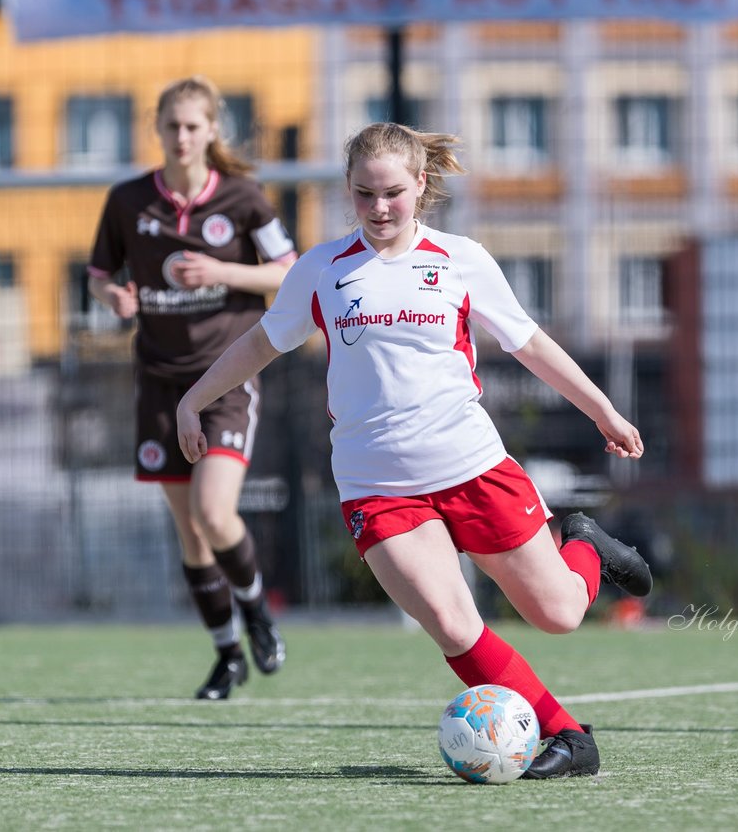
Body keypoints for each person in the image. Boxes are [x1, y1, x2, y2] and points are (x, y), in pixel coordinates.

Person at [176, 122, 652, 777]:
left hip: (474, 468)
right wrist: (192, 398)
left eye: (392, 193)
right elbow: (262, 342)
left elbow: (530, 344)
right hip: (377, 486)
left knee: (561, 614)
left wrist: (603, 411)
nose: (378, 208)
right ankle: (569, 736)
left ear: (421, 185)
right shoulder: (321, 269)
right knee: (454, 626)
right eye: (364, 194)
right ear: (348, 190)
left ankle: (586, 546)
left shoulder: (459, 259)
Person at [87, 75, 293, 700]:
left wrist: (223, 270)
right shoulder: (128, 201)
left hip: (222, 379)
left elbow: (290, 275)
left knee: (214, 509)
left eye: (193, 126)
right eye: (172, 125)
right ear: (158, 128)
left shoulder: (244, 198)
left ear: (211, 132)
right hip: (156, 380)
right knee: (190, 532)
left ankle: (256, 609)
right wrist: (112, 295)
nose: (181, 137)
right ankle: (227, 653)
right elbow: (98, 272)